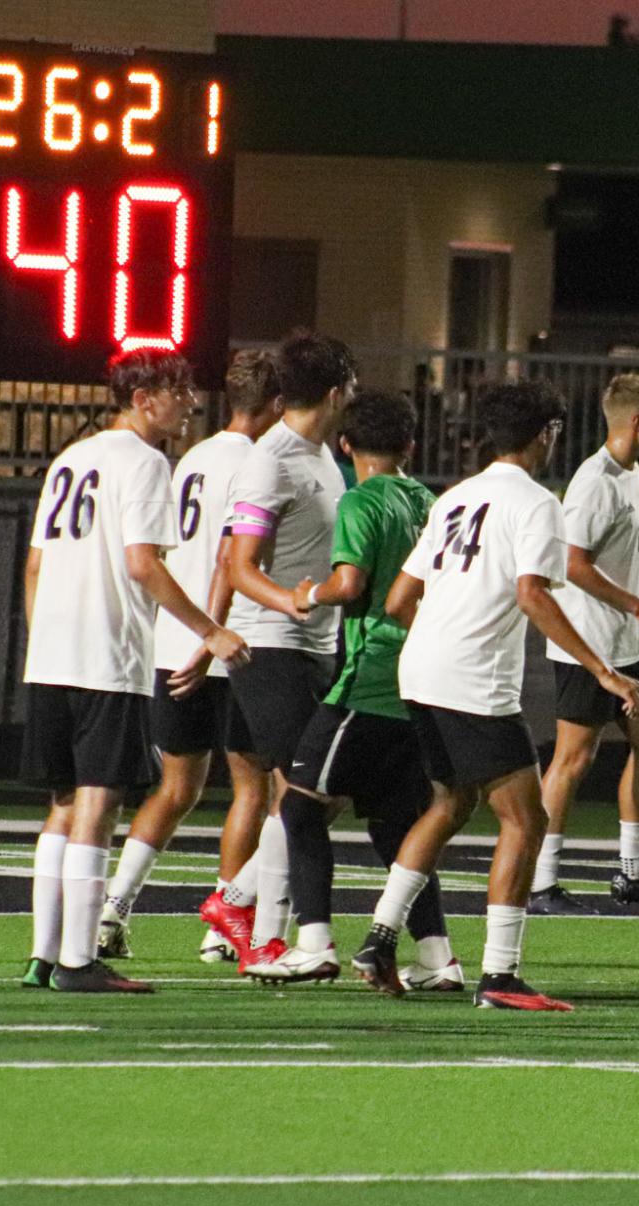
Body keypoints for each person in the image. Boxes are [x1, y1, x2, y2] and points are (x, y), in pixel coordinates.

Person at [351, 379, 639, 1010]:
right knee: (526, 818)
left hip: (421, 671)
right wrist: (602, 670)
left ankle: (379, 938)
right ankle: (501, 975)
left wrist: (444, 631)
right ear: (547, 434)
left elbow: (401, 599)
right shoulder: (536, 503)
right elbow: (533, 593)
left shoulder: (455, 497)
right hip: (471, 680)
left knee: (449, 805)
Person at [17, 349, 247, 994]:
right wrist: (211, 630)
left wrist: (46, 643)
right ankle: (78, 961)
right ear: (142, 397)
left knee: (61, 805)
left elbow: (34, 568)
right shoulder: (145, 463)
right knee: (98, 800)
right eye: (177, 391)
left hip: (52, 655)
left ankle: (43, 954)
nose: (190, 404)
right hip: (103, 656)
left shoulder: (70, 458)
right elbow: (143, 564)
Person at [250, 393, 462, 987]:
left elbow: (350, 584)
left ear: (345, 445)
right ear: (411, 446)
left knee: (298, 805)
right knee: (397, 825)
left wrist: (306, 594)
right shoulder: (428, 500)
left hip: (369, 681)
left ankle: (314, 941)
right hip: (421, 681)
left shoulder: (362, 499)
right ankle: (437, 956)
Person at [95, 351, 283, 963]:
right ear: (278, 404)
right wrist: (214, 637)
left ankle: (114, 907)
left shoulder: (192, 458)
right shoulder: (261, 462)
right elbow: (232, 560)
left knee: (176, 790)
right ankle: (226, 925)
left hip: (170, 643)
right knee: (255, 787)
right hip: (223, 645)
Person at [205, 333, 355, 970]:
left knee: (323, 788)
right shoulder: (272, 459)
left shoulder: (322, 456)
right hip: (272, 647)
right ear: (334, 390)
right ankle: (284, 939)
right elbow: (238, 564)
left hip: (317, 645)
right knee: (305, 793)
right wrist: (286, 601)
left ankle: (235, 902)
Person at [532, 373, 639, 917]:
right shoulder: (596, 480)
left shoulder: (632, 472)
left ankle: (633, 874)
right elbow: (572, 563)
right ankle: (541, 881)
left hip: (626, 647)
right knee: (573, 759)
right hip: (590, 647)